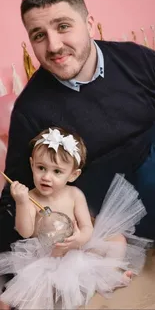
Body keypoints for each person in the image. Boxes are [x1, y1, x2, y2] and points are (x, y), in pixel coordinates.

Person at [1, 0, 155, 253]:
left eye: (63, 26)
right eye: (39, 35)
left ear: (89, 23)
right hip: (114, 218)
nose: (54, 46)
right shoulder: (31, 109)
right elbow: (17, 193)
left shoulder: (136, 59)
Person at [0, 127, 150, 310]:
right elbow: (25, 232)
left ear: (73, 174)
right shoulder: (31, 198)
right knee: (20, 295)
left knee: (117, 239)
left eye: (57, 172)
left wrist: (79, 240)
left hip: (78, 247)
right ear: (32, 164)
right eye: (41, 168)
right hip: (47, 256)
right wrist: (22, 203)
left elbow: (87, 227)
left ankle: (109, 277)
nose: (47, 177)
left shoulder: (74, 195)